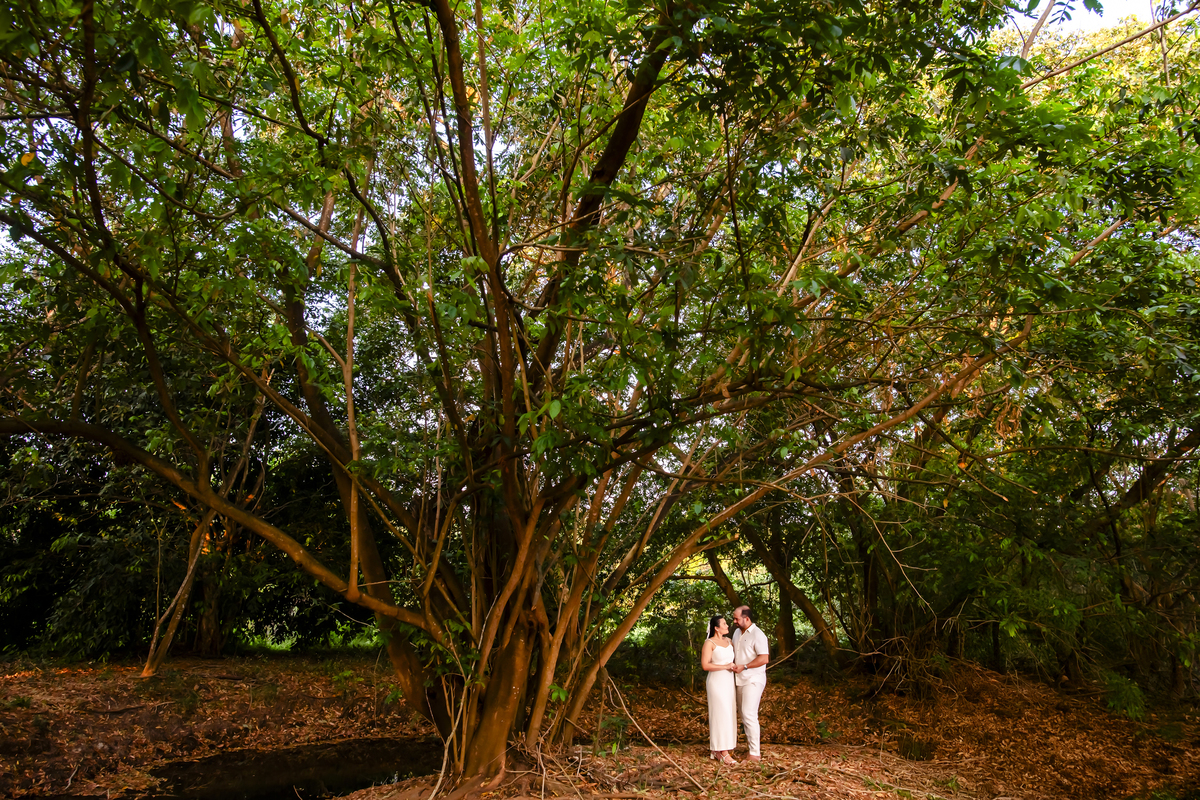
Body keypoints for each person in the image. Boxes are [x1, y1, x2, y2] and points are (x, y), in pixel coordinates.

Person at [731, 605, 769, 761]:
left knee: (749, 713)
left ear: (746, 618)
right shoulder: (736, 633)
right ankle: (747, 747)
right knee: (742, 714)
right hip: (738, 679)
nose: (734, 621)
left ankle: (755, 753)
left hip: (753, 678)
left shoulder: (758, 635)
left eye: (736, 618)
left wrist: (745, 666)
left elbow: (764, 658)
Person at [700, 614, 738, 765]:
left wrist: (734, 666)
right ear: (716, 628)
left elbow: (734, 660)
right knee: (720, 713)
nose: (727, 626)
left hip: (729, 681)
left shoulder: (729, 641)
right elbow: (705, 665)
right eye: (724, 624)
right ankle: (722, 752)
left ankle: (725, 747)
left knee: (729, 713)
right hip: (716, 682)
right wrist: (725, 667)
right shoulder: (709, 643)